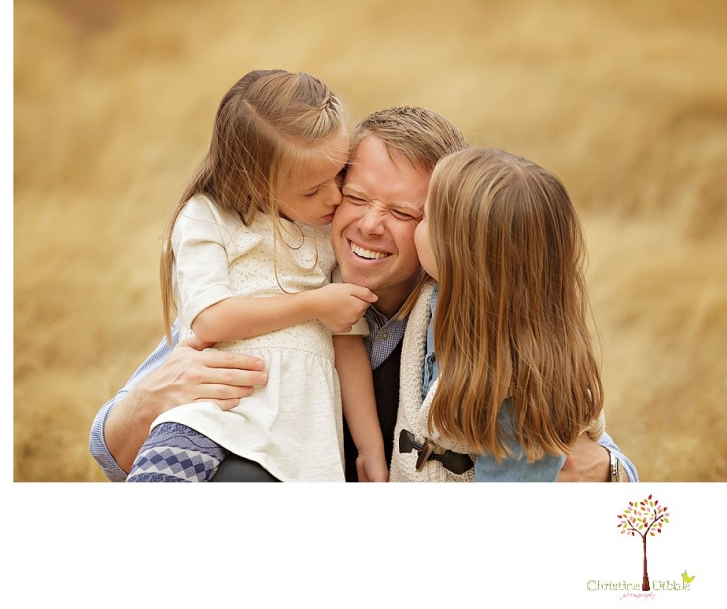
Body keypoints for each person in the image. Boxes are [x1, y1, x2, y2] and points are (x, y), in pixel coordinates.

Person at [90, 105, 638, 482]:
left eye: (403, 213)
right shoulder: (276, 279)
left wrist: (605, 470)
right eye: (354, 196)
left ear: (449, 232)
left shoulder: (469, 314)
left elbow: (593, 457)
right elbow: (110, 454)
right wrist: (150, 399)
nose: (370, 226)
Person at [125, 69, 388, 482]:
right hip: (208, 418)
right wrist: (312, 304)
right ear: (254, 181)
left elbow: (347, 347)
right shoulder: (207, 217)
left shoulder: (325, 232)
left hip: (299, 434)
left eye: (339, 175)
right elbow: (210, 318)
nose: (335, 197)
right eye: (311, 189)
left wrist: (370, 446)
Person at [391, 147, 608, 481]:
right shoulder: (436, 297)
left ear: (459, 253)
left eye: (425, 217)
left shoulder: (525, 388)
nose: (415, 222)